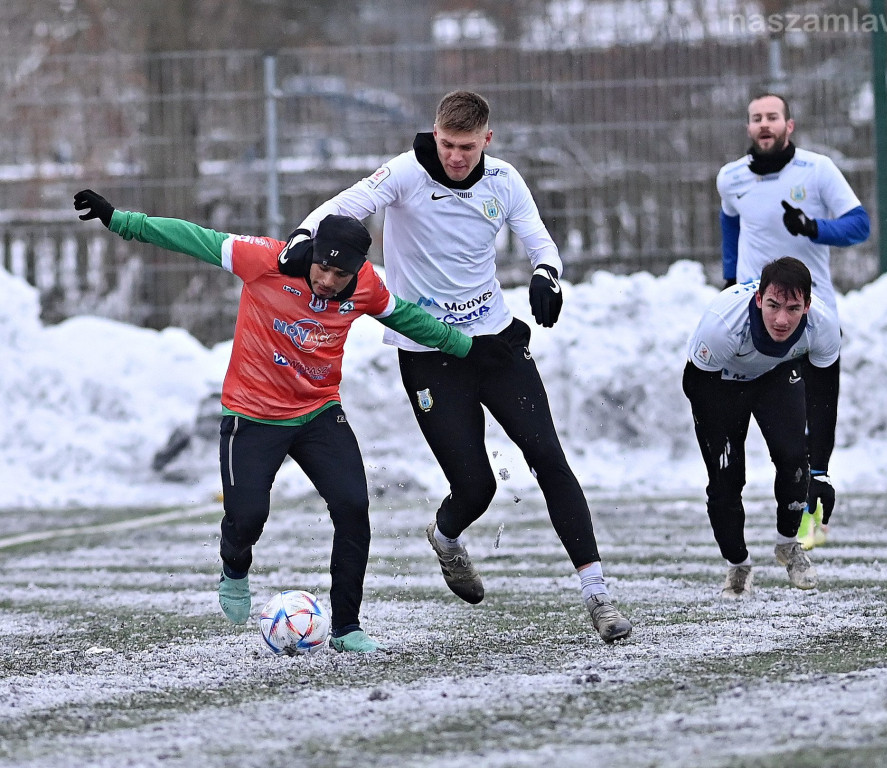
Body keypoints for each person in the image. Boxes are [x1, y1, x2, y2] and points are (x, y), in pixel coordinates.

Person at [73, 188, 514, 653]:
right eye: (322, 266)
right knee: (247, 518)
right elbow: (192, 238)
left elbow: (405, 317)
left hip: (319, 412)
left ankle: (346, 627)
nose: (327, 279)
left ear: (357, 271)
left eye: (340, 273)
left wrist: (468, 347)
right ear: (313, 252)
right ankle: (234, 567)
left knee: (352, 508)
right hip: (252, 415)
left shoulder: (365, 285)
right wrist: (119, 219)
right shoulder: (264, 260)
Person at [279, 90, 631, 644]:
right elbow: (341, 207)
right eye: (447, 144)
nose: (456, 156)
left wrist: (546, 275)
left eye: (467, 146)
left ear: (486, 140)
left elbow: (542, 243)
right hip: (429, 354)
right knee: (475, 487)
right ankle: (446, 538)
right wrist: (303, 238)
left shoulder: (505, 181)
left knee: (549, 458)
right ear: (434, 134)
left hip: (494, 345)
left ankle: (598, 596)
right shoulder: (404, 174)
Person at [716, 93, 870, 549]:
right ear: (748, 127)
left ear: (790, 125)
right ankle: (745, 507)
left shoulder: (817, 171)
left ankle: (814, 503)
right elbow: (730, 226)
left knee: (811, 415)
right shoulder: (730, 178)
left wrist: (813, 228)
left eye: (773, 117)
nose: (765, 125)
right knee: (760, 425)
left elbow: (860, 225)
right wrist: (730, 281)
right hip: (754, 323)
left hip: (809, 318)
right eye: (756, 118)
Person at [683, 257, 841, 598]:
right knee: (727, 479)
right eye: (773, 305)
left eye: (793, 308)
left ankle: (788, 546)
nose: (782, 319)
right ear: (758, 299)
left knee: (795, 457)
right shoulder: (723, 325)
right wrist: (720, 445)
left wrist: (822, 471)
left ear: (808, 306)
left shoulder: (823, 325)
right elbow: (694, 385)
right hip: (718, 384)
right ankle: (738, 564)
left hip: (775, 375)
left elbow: (824, 398)